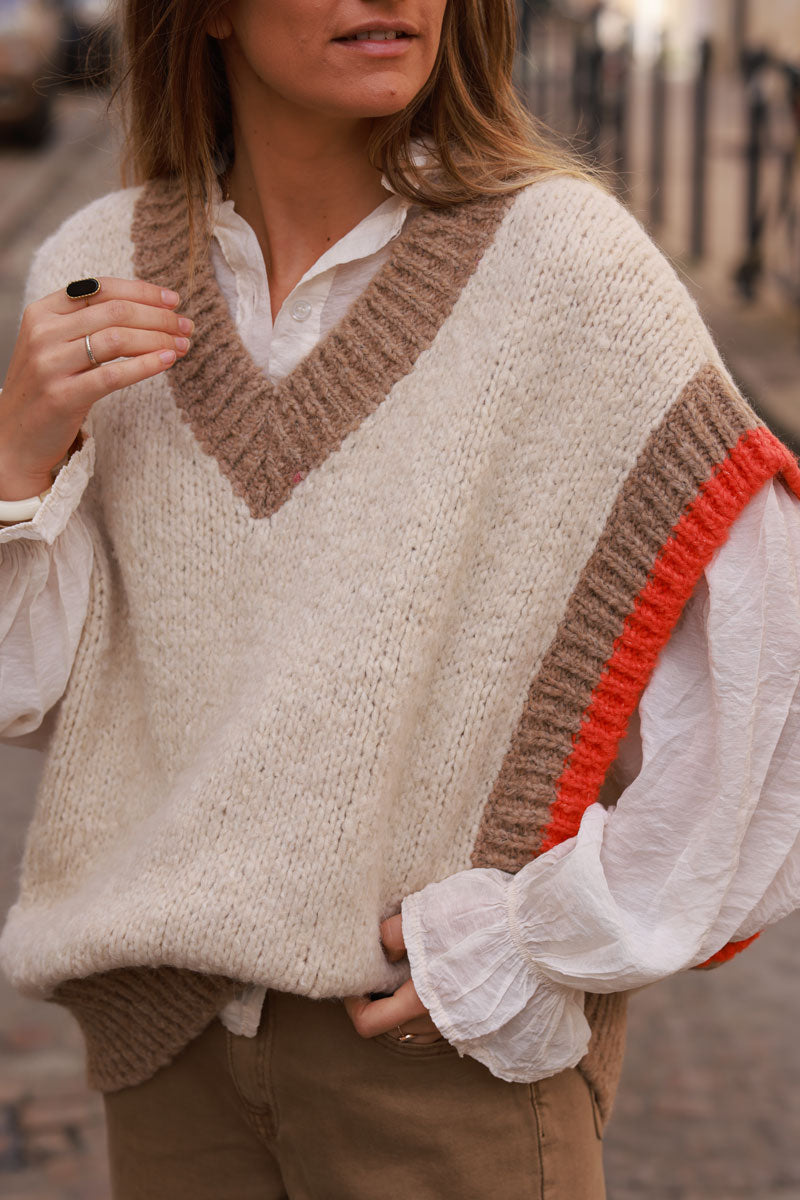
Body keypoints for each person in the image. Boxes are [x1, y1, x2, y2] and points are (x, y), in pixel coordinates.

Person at [0, 0, 799, 1195]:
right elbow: (27, 693)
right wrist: (20, 461)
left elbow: (766, 666)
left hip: (435, 1071)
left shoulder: (563, 261)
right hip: (168, 1064)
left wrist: (530, 945)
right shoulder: (97, 266)